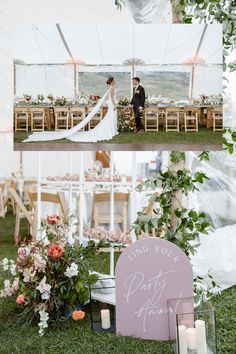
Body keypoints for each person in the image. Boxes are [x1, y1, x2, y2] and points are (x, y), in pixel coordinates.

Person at [24, 77, 118, 143]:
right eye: (114, 80)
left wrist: (111, 103)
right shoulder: (112, 88)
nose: (115, 81)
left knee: (109, 117)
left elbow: (109, 98)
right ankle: (110, 131)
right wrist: (114, 105)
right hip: (112, 105)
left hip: (111, 104)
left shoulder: (111, 88)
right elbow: (112, 98)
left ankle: (112, 130)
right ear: (112, 82)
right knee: (109, 118)